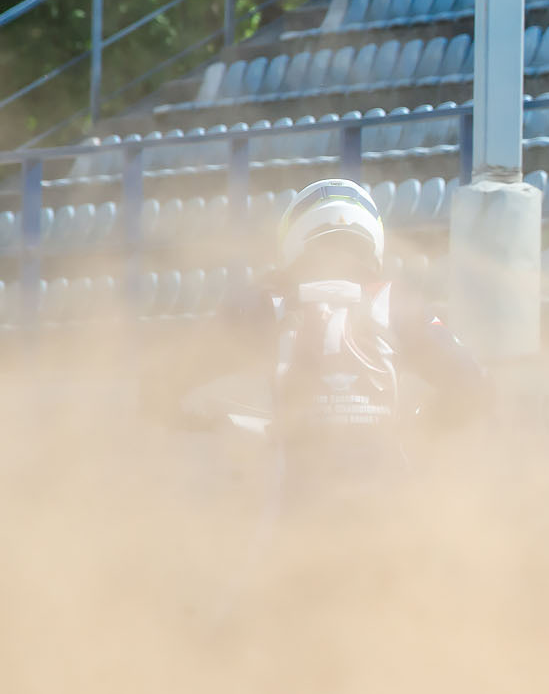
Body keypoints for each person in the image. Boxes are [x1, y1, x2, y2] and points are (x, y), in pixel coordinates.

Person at [147, 178, 488, 495]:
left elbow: (166, 378)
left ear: (296, 237)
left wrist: (187, 416)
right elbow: (471, 385)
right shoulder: (399, 302)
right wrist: (425, 424)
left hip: (297, 496)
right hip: (388, 496)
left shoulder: (265, 302)